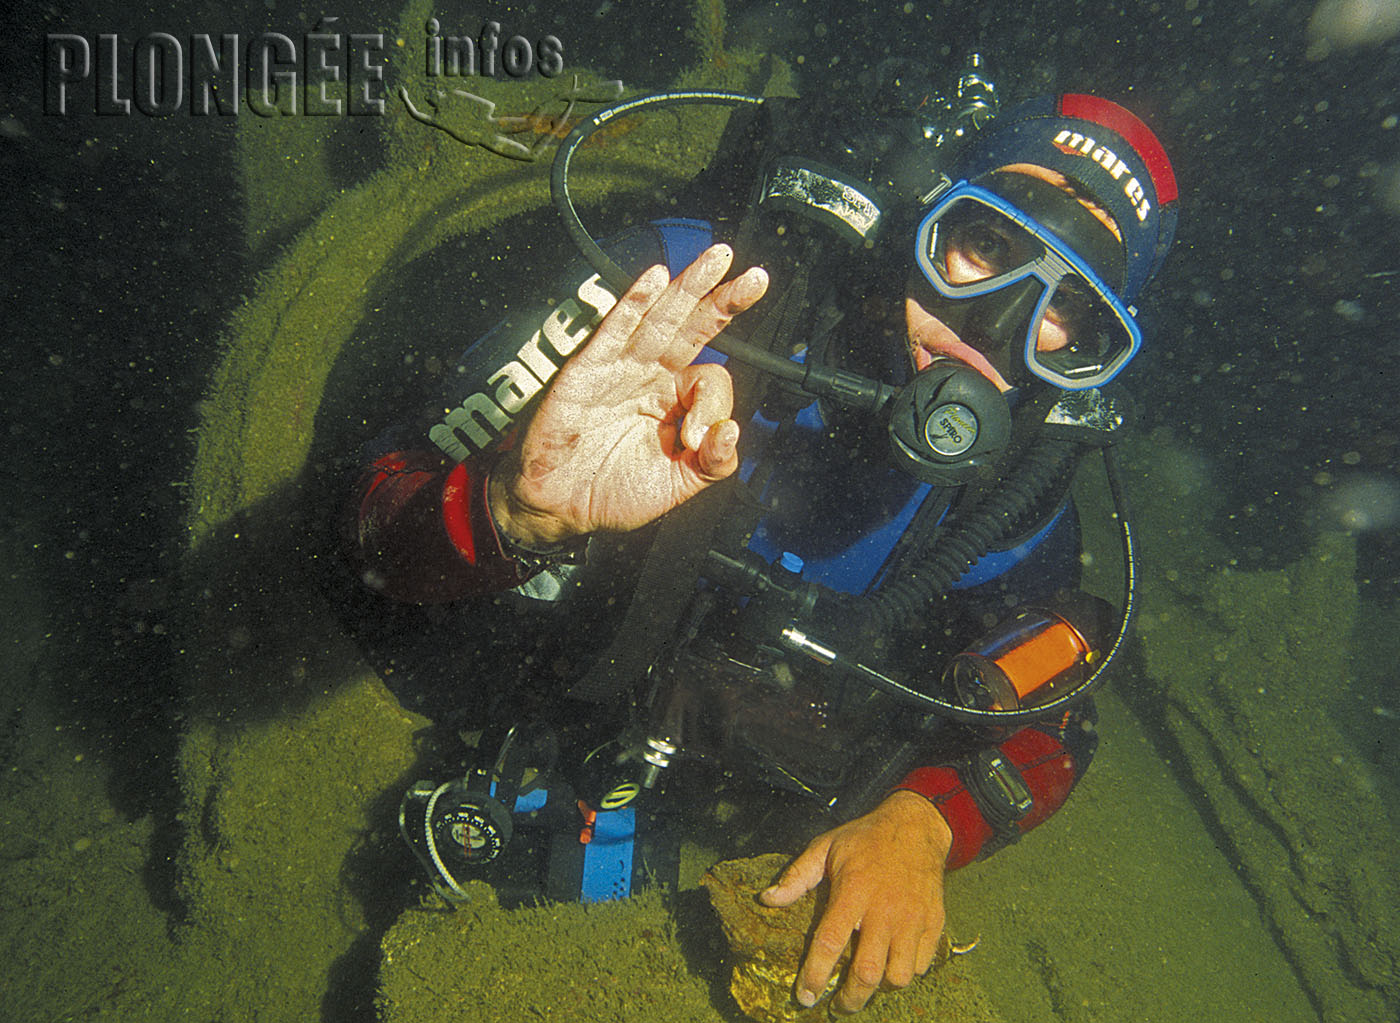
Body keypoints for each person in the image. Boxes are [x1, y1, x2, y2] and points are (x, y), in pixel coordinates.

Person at [342, 76, 1178, 1015]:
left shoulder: (1016, 497)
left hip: (699, 767)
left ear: (1091, 360)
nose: (996, 322)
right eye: (985, 244)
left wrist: (924, 821)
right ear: (925, 215)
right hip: (514, 683)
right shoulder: (689, 299)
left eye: (1070, 311)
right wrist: (515, 509)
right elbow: (371, 514)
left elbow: (1057, 705)